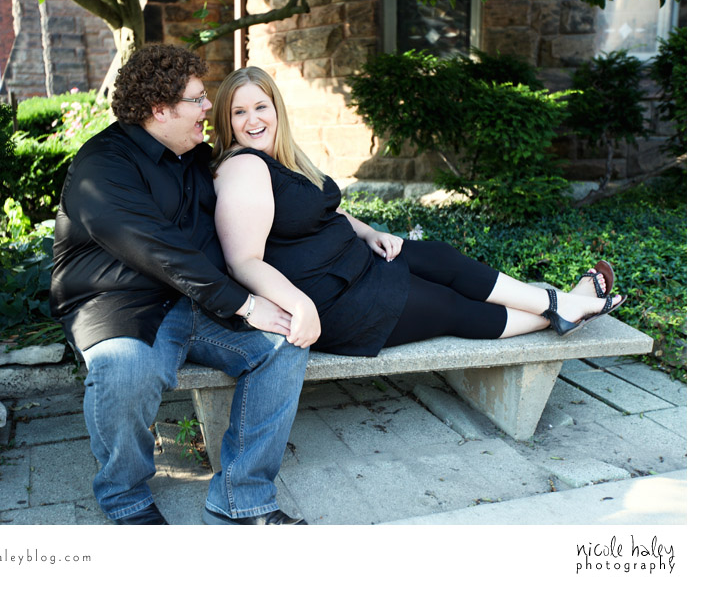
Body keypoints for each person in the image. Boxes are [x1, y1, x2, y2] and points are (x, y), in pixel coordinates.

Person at [50, 47, 310, 525]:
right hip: (120, 303)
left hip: (195, 301)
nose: (209, 109)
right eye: (197, 100)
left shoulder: (193, 157)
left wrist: (355, 233)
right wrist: (246, 304)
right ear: (159, 110)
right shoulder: (102, 166)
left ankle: (241, 497)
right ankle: (124, 495)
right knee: (125, 369)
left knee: (284, 343)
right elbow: (159, 250)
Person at [209, 66, 626, 358]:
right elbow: (243, 260)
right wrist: (300, 306)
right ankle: (566, 307)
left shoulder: (283, 160)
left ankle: (564, 304)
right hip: (333, 299)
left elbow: (318, 212)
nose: (252, 120)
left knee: (439, 256)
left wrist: (369, 233)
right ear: (227, 121)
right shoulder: (243, 166)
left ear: (276, 110)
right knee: (448, 306)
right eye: (239, 112)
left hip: (353, 264)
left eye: (260, 107)